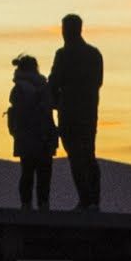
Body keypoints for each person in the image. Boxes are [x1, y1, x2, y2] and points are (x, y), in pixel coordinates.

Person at [50, 12, 106, 211]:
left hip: (69, 112)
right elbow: (98, 82)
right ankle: (94, 200)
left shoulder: (63, 55)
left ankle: (85, 199)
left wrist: (55, 102)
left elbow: (54, 82)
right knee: (89, 154)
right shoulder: (94, 54)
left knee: (75, 155)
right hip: (89, 112)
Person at [7, 55, 58, 211]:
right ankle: (43, 205)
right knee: (44, 175)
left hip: (26, 138)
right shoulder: (44, 86)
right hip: (45, 137)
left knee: (27, 173)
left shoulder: (18, 88)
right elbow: (54, 105)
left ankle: (26, 205)